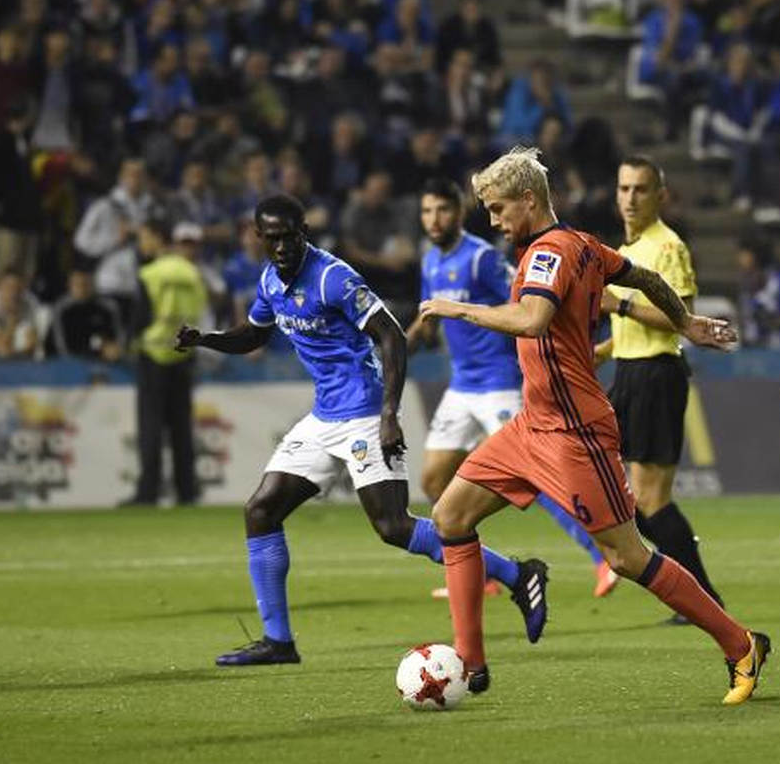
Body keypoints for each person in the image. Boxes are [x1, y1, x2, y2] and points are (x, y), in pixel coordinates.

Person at [416, 148, 770, 704]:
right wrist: (687, 322)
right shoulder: (582, 244)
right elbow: (647, 278)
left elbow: (532, 321)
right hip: (532, 424)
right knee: (450, 515)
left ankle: (740, 642)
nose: (493, 221)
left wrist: (459, 309)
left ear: (529, 200)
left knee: (628, 557)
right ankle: (470, 662)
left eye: (498, 208)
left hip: (575, 431)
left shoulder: (548, 255)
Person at [174, 194, 549, 667]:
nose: (282, 246)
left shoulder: (332, 276)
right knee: (261, 510)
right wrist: (206, 339)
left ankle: (518, 574)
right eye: (272, 239)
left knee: (393, 527)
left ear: (304, 232)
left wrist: (389, 414)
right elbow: (254, 334)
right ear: (259, 239)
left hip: (366, 413)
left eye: (290, 236)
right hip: (325, 416)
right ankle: (278, 641)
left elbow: (390, 333)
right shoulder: (270, 281)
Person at [408, 178, 617, 599]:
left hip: (499, 382)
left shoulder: (481, 258)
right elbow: (431, 317)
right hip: (462, 385)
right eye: (427, 211)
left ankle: (602, 558)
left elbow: (528, 303)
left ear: (459, 213)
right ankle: (482, 573)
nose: (434, 219)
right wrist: (403, 340)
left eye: (442, 210)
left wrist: (610, 305)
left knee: (536, 482)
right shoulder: (430, 260)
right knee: (434, 480)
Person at [595, 157, 725, 619]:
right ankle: (695, 596)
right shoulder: (625, 249)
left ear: (660, 196)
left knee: (651, 502)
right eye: (624, 188)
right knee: (632, 499)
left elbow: (682, 317)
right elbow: (637, 323)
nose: (630, 198)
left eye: (641, 189)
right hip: (629, 372)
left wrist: (620, 306)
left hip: (656, 376)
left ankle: (700, 598)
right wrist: (607, 350)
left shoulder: (667, 247)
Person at [122, 218, 207, 507]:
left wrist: (128, 342)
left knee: (152, 428)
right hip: (183, 355)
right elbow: (199, 310)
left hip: (153, 355)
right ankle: (187, 489)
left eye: (144, 237)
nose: (141, 244)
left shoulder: (150, 273)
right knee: (182, 427)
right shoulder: (191, 272)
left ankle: (149, 491)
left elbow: (142, 317)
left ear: (157, 238)